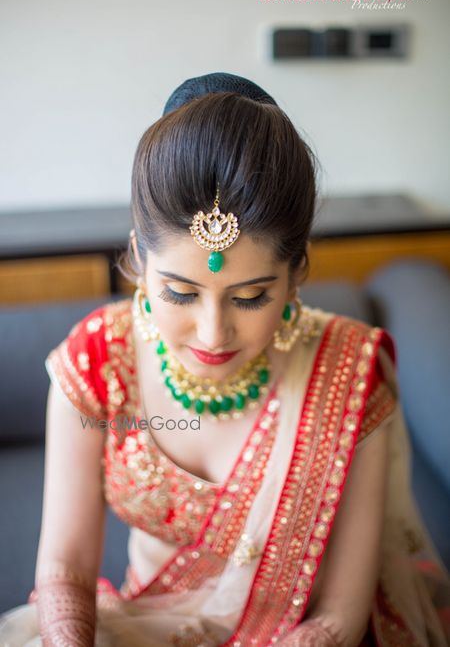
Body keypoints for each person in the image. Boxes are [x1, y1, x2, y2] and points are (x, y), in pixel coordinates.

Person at [0, 72, 449, 647]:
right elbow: (65, 570)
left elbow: (337, 616)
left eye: (251, 296)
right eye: (181, 293)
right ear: (138, 257)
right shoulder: (97, 362)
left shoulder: (345, 373)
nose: (213, 332)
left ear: (296, 276)